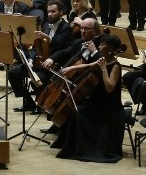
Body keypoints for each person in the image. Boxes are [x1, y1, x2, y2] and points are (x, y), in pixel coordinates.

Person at [53, 33, 124, 163]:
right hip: (98, 102)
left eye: (103, 45)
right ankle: (76, 147)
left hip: (109, 107)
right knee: (75, 111)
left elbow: (109, 87)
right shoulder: (102, 60)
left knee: (80, 113)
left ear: (111, 48)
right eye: (101, 44)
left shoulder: (115, 66)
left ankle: (88, 149)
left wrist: (103, 68)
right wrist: (71, 68)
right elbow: (87, 66)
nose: (100, 47)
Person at [9, 0, 73, 112]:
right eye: (48, 12)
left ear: (61, 12)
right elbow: (36, 46)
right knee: (13, 72)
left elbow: (63, 47)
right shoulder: (45, 25)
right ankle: (29, 102)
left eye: (53, 11)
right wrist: (30, 59)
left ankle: (41, 105)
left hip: (53, 66)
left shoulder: (66, 27)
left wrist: (51, 53)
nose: (50, 14)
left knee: (39, 79)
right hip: (38, 62)